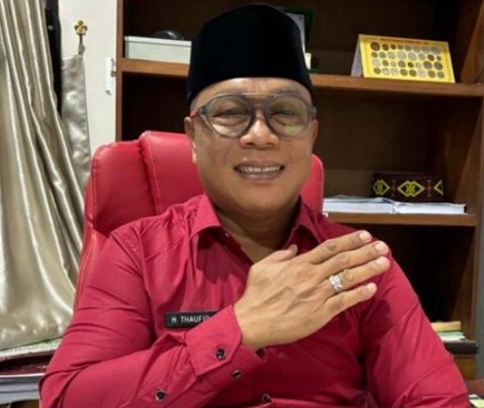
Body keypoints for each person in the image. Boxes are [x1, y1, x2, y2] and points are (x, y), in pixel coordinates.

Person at [40, 4, 468, 407]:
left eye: (286, 112)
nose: (260, 135)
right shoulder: (136, 252)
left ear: (311, 135)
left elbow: (438, 398)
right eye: (230, 112)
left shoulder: (358, 264)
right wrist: (239, 330)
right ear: (193, 138)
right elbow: (67, 398)